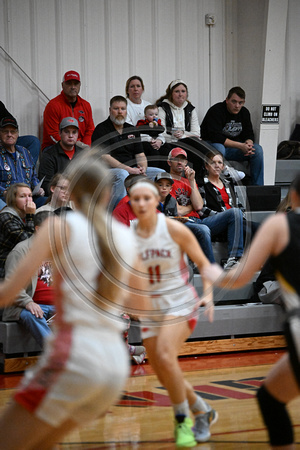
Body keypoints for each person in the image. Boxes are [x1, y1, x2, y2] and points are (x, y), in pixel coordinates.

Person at [0, 149, 148, 450]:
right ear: (108, 193)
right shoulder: (125, 236)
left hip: (75, 357)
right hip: (114, 366)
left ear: (71, 193)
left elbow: (7, 294)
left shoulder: (57, 228)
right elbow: (141, 307)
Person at [203, 172, 300, 449]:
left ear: (292, 196)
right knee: (270, 398)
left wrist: (212, 272)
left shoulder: (281, 224)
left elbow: (241, 276)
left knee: (270, 402)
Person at [128, 179, 217, 447]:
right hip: (151, 309)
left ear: (157, 201)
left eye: (147, 198)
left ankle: (183, 422)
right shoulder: (128, 236)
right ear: (130, 203)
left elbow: (204, 264)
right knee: (165, 371)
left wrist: (209, 294)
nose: (142, 203)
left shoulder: (173, 229)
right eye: (136, 199)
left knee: (166, 356)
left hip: (180, 302)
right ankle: (202, 409)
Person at [169, 147, 244, 268]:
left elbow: (198, 205)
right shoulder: (166, 182)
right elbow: (178, 211)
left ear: (186, 163)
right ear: (169, 162)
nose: (179, 162)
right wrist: (191, 206)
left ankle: (233, 259)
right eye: (176, 159)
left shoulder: (189, 180)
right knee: (203, 229)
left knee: (235, 212)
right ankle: (209, 267)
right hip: (182, 222)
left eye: (182, 160)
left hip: (199, 220)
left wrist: (191, 181)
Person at [92, 95, 163, 208]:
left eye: (123, 109)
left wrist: (142, 168)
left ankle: (158, 212)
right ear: (110, 110)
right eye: (116, 108)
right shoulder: (101, 129)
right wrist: (128, 169)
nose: (120, 112)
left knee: (161, 174)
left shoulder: (132, 129)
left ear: (126, 110)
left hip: (132, 169)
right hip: (107, 171)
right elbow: (105, 157)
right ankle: (118, 213)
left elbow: (140, 154)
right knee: (122, 174)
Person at [3, 211, 55, 348]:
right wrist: (28, 302)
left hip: (55, 305)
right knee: (32, 314)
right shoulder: (21, 251)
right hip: (25, 306)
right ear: (38, 229)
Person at [200, 86, 264, 186]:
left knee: (257, 150)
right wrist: (240, 146)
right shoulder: (216, 110)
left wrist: (249, 143)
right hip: (212, 144)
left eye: (240, 103)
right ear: (227, 100)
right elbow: (216, 136)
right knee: (219, 148)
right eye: (234, 102)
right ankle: (219, 184)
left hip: (234, 148)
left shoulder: (244, 112)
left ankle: (258, 188)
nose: (237, 106)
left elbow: (249, 133)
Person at [157, 79, 213, 182]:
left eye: (183, 91)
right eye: (177, 91)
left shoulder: (190, 109)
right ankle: (216, 165)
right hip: (170, 143)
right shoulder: (162, 108)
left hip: (187, 141)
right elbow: (161, 133)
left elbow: (196, 133)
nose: (180, 94)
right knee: (195, 143)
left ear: (187, 94)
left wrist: (183, 134)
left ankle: (200, 180)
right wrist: (176, 136)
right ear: (171, 94)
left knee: (196, 145)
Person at [42, 70, 95, 150]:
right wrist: (74, 146)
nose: (73, 87)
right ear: (62, 85)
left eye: (76, 84)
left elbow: (90, 131)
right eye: (69, 83)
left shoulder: (86, 105)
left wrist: (85, 147)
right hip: (55, 146)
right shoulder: (53, 105)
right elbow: (52, 134)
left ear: (80, 85)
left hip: (80, 147)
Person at [0, 117, 45, 209]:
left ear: (17, 134)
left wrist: (38, 188)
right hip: (7, 199)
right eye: (5, 131)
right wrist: (4, 192)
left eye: (13, 132)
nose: (9, 135)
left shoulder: (24, 152)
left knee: (49, 202)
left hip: (28, 198)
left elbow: (33, 176)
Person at [39, 117, 84, 195]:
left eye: (74, 132)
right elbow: (46, 185)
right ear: (60, 133)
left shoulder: (83, 154)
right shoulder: (49, 155)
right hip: (59, 197)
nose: (71, 136)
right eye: (67, 132)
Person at [0, 183, 35, 279]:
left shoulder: (25, 215)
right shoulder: (6, 216)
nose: (28, 200)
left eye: (30, 196)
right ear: (13, 200)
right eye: (23, 196)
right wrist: (31, 216)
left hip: (21, 265)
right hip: (5, 271)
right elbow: (28, 243)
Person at [0, 101, 41, 165]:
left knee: (33, 141)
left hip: (5, 139)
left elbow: (11, 122)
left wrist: (10, 134)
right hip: (2, 140)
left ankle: (27, 171)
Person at [136, 104, 168, 170]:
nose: (154, 116)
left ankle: (165, 171)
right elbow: (139, 133)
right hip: (147, 142)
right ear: (145, 116)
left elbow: (161, 132)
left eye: (156, 114)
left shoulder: (158, 123)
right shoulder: (142, 123)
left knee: (167, 149)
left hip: (157, 141)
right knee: (154, 153)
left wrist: (159, 140)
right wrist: (148, 126)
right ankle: (153, 169)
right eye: (151, 115)